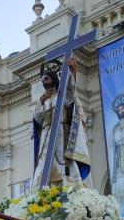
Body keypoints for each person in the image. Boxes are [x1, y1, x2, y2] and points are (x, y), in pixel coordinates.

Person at [31, 58, 91, 189]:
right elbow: (37, 119)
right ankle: (41, 189)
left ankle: (70, 186)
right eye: (42, 81)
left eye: (46, 79)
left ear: (53, 78)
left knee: (64, 161)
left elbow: (71, 93)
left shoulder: (62, 95)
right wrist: (41, 101)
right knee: (43, 163)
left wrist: (73, 72)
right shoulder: (43, 100)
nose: (44, 83)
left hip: (61, 133)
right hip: (46, 137)